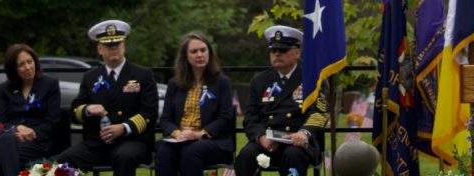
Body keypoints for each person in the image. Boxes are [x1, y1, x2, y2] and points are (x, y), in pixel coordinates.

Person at [55, 19, 158, 176]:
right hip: (97, 143)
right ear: (100, 49)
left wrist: (123, 128)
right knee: (64, 161)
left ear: (124, 46)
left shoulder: (142, 75)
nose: (113, 48)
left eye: (117, 44)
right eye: (109, 46)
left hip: (132, 141)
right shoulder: (90, 77)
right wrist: (88, 109)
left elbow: (149, 112)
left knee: (124, 157)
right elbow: (75, 110)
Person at [234, 25, 327, 176]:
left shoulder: (312, 79)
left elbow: (320, 113)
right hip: (267, 141)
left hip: (298, 142)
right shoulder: (260, 81)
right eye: (273, 50)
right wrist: (261, 137)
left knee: (293, 156)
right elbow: (250, 117)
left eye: (283, 50)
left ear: (297, 53)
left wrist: (304, 133)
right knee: (246, 155)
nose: (277, 54)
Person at [156, 31, 234, 176]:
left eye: (203, 50)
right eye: (194, 51)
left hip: (213, 142)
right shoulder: (174, 84)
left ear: (209, 53)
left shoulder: (221, 82)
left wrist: (198, 134)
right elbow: (165, 119)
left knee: (191, 150)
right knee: (165, 150)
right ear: (186, 56)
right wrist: (178, 134)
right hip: (180, 138)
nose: (199, 55)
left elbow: (225, 117)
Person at [0, 43, 61, 176]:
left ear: (35, 62)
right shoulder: (5, 88)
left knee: (0, 161)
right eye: (21, 65)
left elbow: (53, 122)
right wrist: (16, 129)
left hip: (36, 142)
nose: (27, 67)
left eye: (29, 62)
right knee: (6, 138)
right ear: (13, 69)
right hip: (8, 138)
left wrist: (33, 132)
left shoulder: (50, 84)